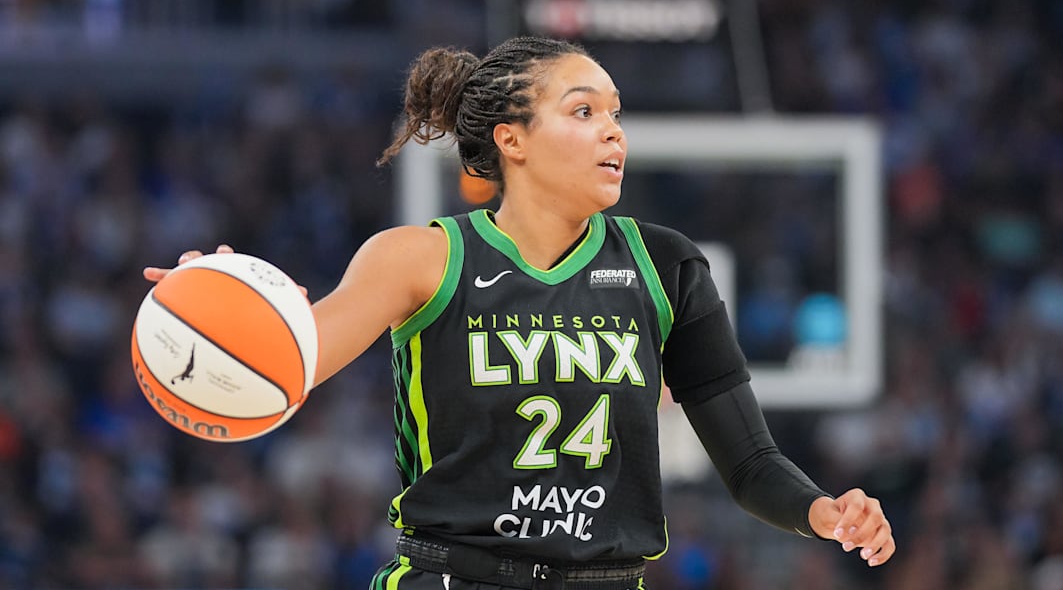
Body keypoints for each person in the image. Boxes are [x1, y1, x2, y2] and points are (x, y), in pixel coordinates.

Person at [144, 36, 895, 590]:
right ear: (512, 140)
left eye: (615, 113)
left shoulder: (666, 266)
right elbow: (291, 362)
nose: (614, 131)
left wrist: (826, 512)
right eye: (583, 110)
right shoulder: (421, 258)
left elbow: (752, 464)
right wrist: (221, 311)